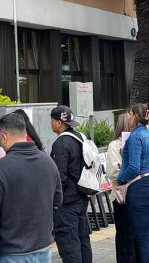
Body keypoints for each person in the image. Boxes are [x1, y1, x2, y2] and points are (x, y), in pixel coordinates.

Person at [0, 113, 62, 263]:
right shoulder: (48, 161)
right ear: (25, 133)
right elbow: (57, 201)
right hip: (43, 249)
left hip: (11, 252)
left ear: (4, 137)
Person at [118, 103, 149, 263]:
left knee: (142, 238)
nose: (128, 118)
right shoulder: (148, 134)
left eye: (130, 114)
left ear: (135, 115)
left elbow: (134, 168)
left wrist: (120, 179)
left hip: (138, 189)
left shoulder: (135, 136)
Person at [50, 105, 92, 263]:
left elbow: (59, 177)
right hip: (81, 197)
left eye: (52, 121)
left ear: (59, 122)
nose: (51, 124)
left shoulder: (60, 144)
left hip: (67, 202)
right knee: (83, 240)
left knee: (69, 245)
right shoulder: (80, 137)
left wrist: (55, 201)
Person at [107, 112, 137, 263]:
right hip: (138, 194)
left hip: (121, 196)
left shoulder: (115, 145)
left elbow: (113, 172)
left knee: (125, 235)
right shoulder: (140, 141)